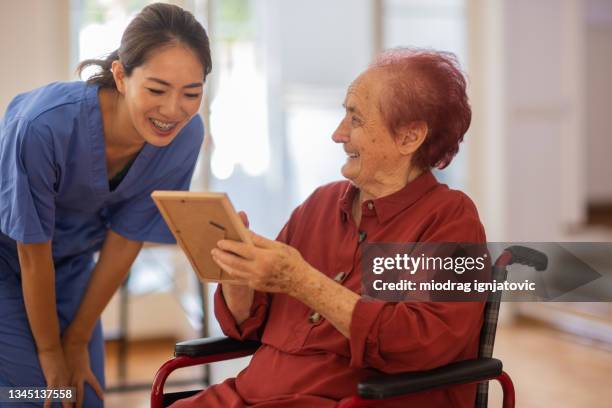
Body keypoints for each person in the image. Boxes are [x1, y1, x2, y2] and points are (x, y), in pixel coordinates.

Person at [170, 48, 486, 408]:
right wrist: (236, 275)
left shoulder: (450, 220)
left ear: (409, 137)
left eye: (356, 119)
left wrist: (301, 279)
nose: (337, 134)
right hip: (247, 395)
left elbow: (417, 343)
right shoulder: (320, 204)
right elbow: (250, 325)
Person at [0, 3, 211, 407]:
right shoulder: (44, 126)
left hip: (73, 266)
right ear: (120, 75)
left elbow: (127, 238)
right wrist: (50, 354)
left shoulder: (185, 136)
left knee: (85, 396)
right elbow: (30, 251)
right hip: (10, 262)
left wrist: (76, 340)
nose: (172, 110)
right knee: (33, 396)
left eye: (191, 93)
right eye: (156, 89)